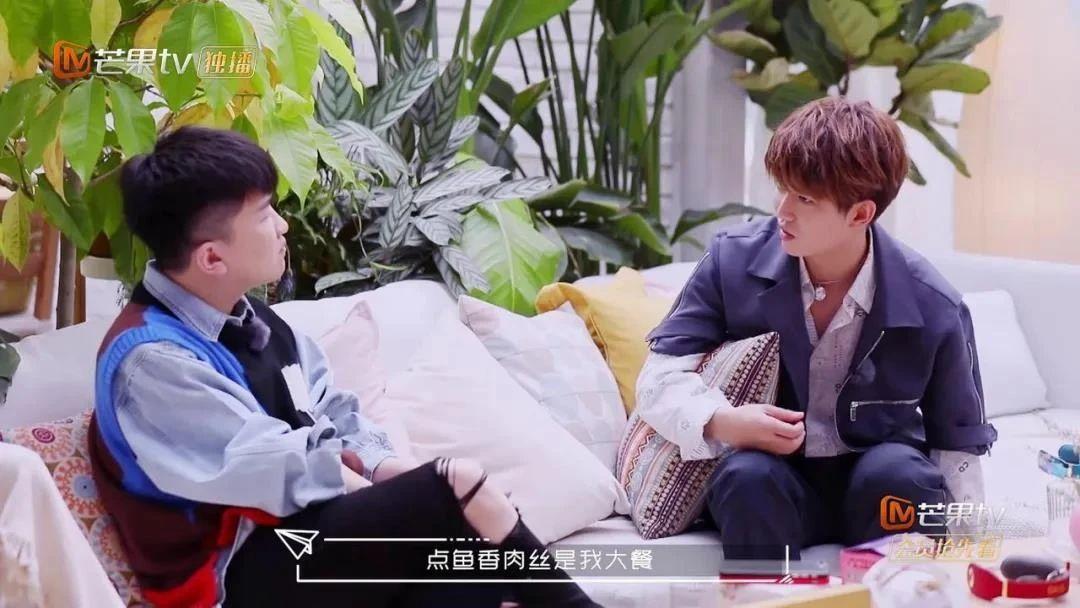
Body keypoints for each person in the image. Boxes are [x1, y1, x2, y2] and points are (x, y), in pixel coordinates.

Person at [88, 126, 599, 607]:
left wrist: (386, 470)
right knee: (454, 485)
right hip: (237, 572)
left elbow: (334, 412)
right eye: (264, 215)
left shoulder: (258, 321)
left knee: (474, 576)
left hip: (308, 539)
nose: (283, 225)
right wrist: (413, 496)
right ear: (212, 259)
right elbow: (271, 468)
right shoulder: (152, 361)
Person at [636, 97, 998, 560]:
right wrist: (723, 421)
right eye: (782, 189)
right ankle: (757, 592)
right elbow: (658, 377)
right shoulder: (732, 262)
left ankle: (889, 587)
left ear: (860, 214)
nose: (782, 211)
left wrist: (969, 561)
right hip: (774, 483)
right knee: (746, 477)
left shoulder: (934, 303)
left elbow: (959, 448)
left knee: (901, 475)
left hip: (879, 487)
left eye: (805, 199)